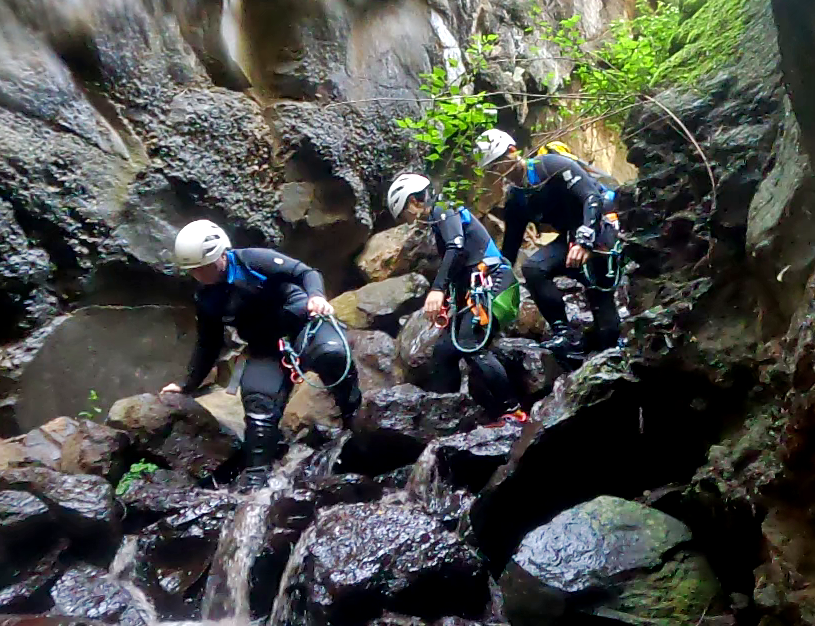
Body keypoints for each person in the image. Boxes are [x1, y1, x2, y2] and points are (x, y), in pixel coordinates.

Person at [163, 220, 361, 489]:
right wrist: (187, 384)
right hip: (266, 348)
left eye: (204, 267)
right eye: (194, 270)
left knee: (332, 355)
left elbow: (306, 273)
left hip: (303, 325)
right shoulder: (207, 300)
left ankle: (357, 426)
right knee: (258, 411)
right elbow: (207, 344)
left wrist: (316, 296)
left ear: (220, 255)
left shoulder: (253, 261)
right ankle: (255, 490)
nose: (199, 274)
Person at [387, 173, 528, 426]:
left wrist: (437, 289)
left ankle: (514, 411)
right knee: (444, 351)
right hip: (476, 289)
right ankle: (450, 413)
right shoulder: (439, 216)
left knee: (469, 342)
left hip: (493, 283)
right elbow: (461, 261)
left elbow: (456, 247)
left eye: (405, 214)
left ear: (414, 201)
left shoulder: (444, 207)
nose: (409, 221)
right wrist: (449, 298)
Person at [475, 129, 622, 360]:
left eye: (500, 163)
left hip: (599, 235)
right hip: (568, 242)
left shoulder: (551, 166)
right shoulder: (516, 199)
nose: (499, 171)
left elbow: (591, 197)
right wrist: (489, 279)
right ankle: (564, 334)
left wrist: (585, 240)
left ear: (513, 151)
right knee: (533, 268)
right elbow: (510, 253)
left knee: (607, 329)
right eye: (493, 168)